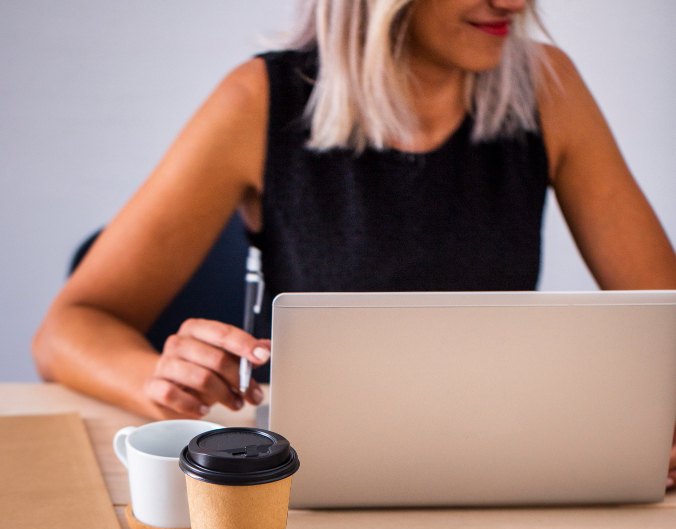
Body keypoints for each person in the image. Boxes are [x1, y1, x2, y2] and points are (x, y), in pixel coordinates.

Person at [32, 0, 676, 475]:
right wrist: (158, 380)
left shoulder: (547, 86)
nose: (513, 3)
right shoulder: (259, 100)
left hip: (497, 467)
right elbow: (68, 329)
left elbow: (664, 316)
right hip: (314, 481)